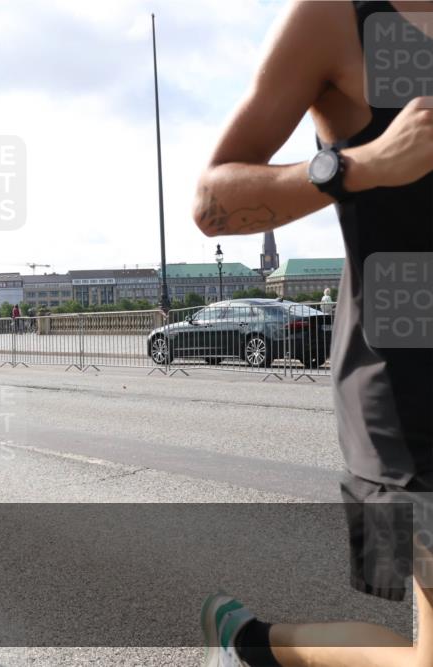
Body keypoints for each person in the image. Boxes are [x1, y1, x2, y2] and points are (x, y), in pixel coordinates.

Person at [192, 2, 433, 666]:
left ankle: (246, 645)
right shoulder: (333, 18)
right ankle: (248, 642)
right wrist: (362, 165)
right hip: (408, 393)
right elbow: (211, 201)